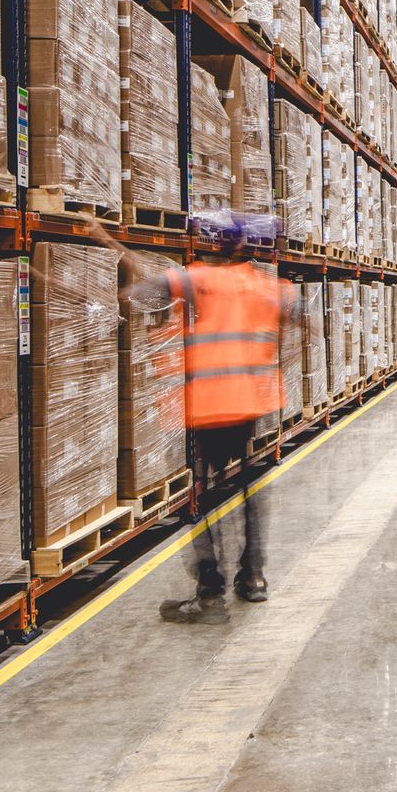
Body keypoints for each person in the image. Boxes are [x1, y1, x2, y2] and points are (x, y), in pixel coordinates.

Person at [85, 210, 288, 619]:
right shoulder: (267, 286)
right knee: (250, 489)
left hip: (210, 404)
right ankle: (253, 577)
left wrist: (110, 244)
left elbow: (144, 291)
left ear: (213, 246)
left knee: (205, 495)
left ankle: (210, 593)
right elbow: (292, 318)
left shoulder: (200, 279)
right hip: (251, 402)